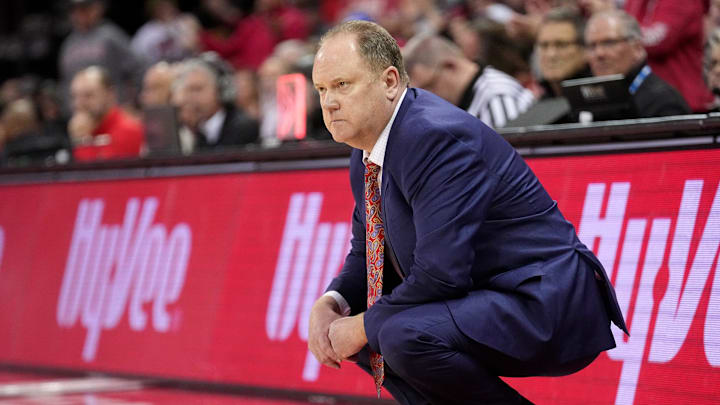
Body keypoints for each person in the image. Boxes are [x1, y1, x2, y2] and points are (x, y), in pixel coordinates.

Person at [308, 20, 627, 405]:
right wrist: (332, 304)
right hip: (489, 296)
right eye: (322, 89)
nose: (329, 102)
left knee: (396, 333)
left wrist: (360, 326)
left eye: (343, 85)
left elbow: (441, 273)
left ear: (390, 82)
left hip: (545, 300)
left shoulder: (433, 137)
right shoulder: (365, 155)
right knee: (364, 328)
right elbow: (368, 253)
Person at [402, 34, 535, 128]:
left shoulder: (496, 98)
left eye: (429, 86)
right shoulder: (473, 98)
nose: (426, 98)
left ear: (450, 66)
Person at [585, 10, 691, 118]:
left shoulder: (665, 103)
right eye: (592, 46)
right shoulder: (586, 102)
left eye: (609, 43)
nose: (599, 54)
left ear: (637, 48)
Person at [58, 0, 142, 111]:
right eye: (74, 9)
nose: (79, 13)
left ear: (97, 9)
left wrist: (131, 102)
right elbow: (65, 82)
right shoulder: (68, 44)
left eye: (84, 8)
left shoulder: (111, 36)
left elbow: (137, 68)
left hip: (112, 111)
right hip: (82, 113)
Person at [172, 55, 259, 151]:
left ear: (221, 90)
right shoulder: (196, 129)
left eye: (198, 89)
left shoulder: (243, 127)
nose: (191, 98)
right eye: (189, 90)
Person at [68, 66, 144, 161]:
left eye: (88, 95)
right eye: (75, 97)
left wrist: (82, 141)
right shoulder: (78, 131)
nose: (79, 104)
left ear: (110, 94)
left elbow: (101, 172)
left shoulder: (130, 131)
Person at [536, 7, 591, 99]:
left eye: (561, 45)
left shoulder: (602, 101)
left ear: (584, 50)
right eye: (544, 45)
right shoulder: (538, 105)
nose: (551, 54)